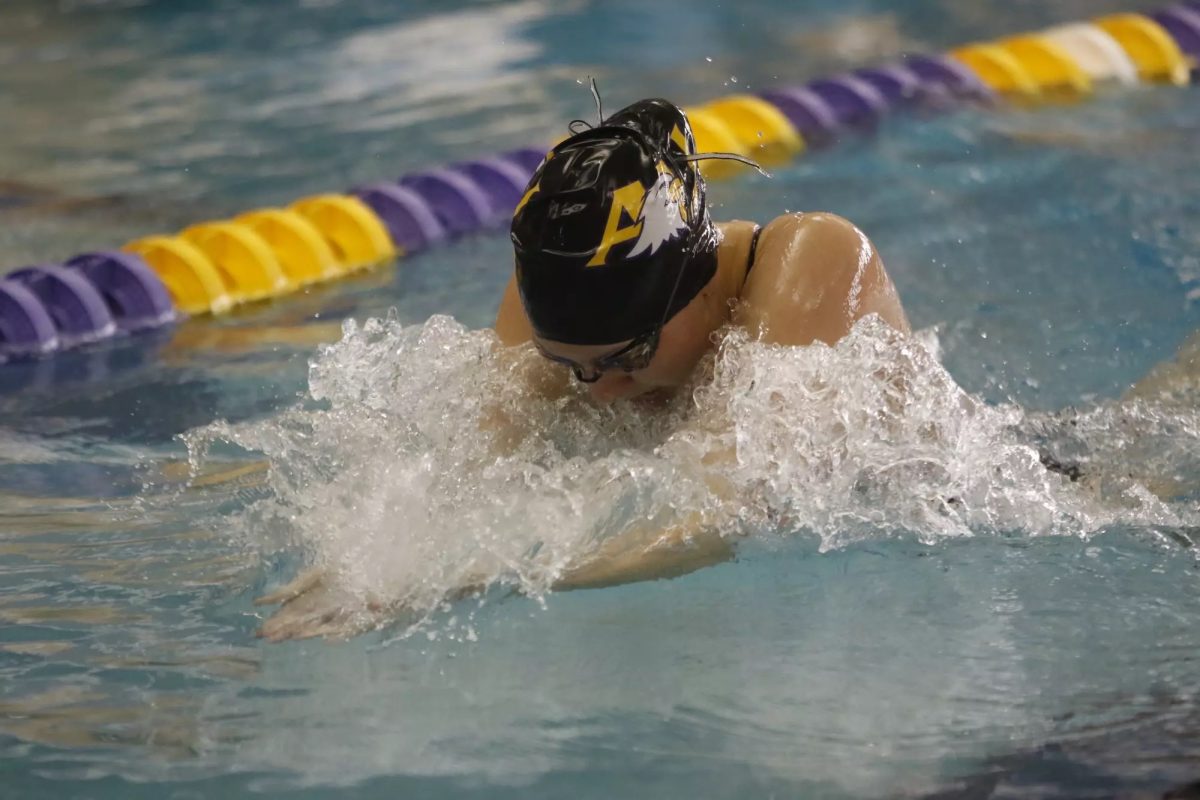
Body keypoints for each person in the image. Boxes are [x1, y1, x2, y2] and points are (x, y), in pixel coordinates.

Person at [255, 97, 913, 641]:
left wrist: (458, 579)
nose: (599, 394)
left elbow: (727, 515)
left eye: (628, 357)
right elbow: (478, 464)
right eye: (570, 368)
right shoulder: (557, 299)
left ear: (700, 282)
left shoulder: (811, 264)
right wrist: (369, 561)